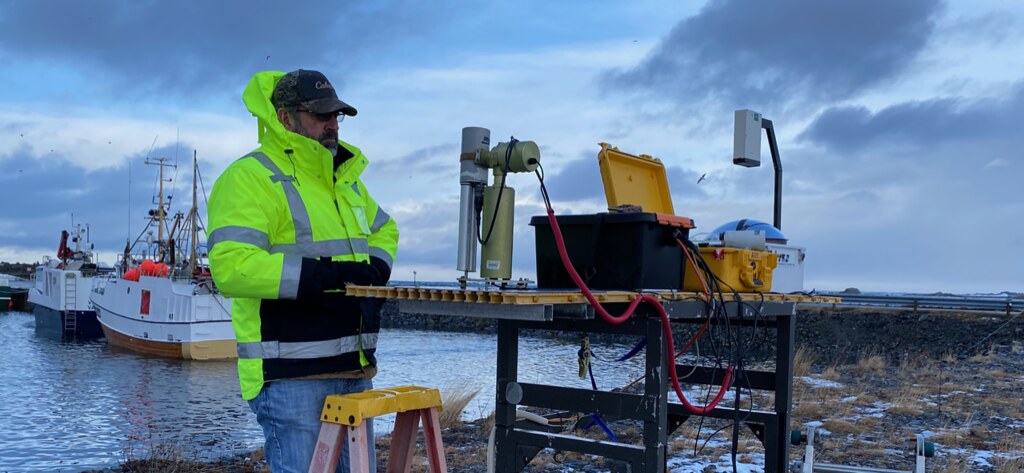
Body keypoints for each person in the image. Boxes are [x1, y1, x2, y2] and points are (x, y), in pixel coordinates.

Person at [208, 69, 399, 473]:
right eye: (320, 115)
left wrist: (377, 267)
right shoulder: (249, 178)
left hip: (355, 366)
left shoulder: (343, 180)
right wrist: (324, 275)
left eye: (336, 116)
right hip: (291, 375)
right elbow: (231, 269)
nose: (331, 125)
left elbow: (385, 228)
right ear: (284, 117)